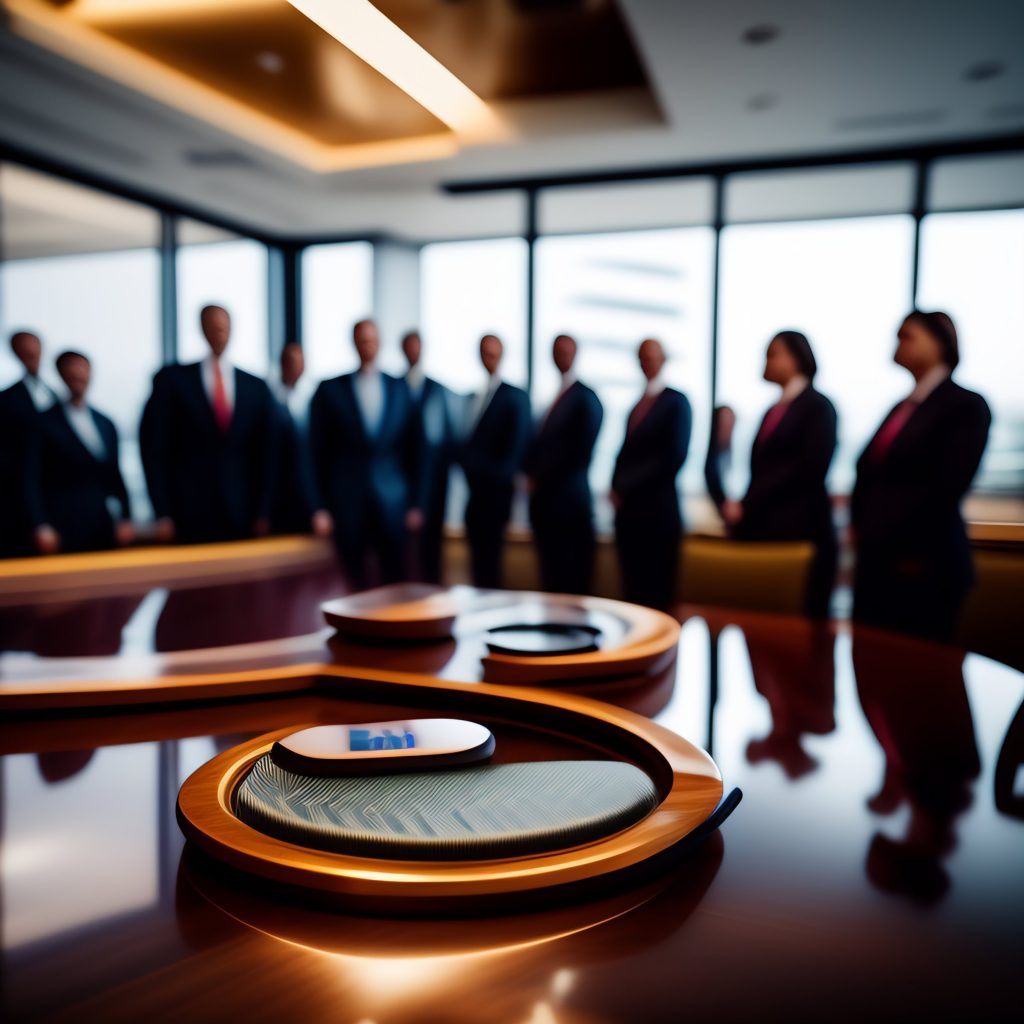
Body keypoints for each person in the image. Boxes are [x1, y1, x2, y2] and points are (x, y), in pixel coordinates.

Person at [851, 311, 991, 643]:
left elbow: (946, 486)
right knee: (873, 670)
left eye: (908, 336)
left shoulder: (965, 405)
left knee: (921, 680)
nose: (898, 344)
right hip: (877, 565)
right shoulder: (902, 406)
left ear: (940, 343)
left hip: (923, 565)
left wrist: (891, 540)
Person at [140, 304, 278, 544]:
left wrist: (264, 510)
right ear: (202, 329)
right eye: (213, 327)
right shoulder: (173, 381)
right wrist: (162, 511)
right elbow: (154, 449)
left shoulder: (255, 387)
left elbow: (267, 454)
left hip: (242, 510)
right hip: (187, 509)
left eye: (224, 328)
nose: (219, 333)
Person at [723, 331, 838, 618]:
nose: (766, 361)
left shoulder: (818, 407)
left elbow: (808, 470)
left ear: (797, 358)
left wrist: (747, 505)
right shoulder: (772, 410)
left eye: (773, 354)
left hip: (799, 532)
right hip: (766, 531)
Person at [309, 319, 421, 590]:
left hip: (393, 502)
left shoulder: (401, 388)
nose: (367, 345)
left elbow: (416, 450)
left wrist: (417, 502)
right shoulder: (329, 389)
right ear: (354, 343)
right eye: (362, 339)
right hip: (346, 502)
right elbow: (314, 454)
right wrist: (318, 507)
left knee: (396, 582)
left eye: (372, 339)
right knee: (353, 581)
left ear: (380, 343)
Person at [611, 339, 691, 610]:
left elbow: (673, 457)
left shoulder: (676, 402)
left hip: (657, 516)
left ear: (664, 359)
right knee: (633, 597)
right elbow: (623, 453)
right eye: (643, 357)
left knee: (658, 599)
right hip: (630, 519)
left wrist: (625, 486)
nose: (648, 362)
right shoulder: (637, 406)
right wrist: (614, 486)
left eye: (653, 356)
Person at [26, 350, 133, 554]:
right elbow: (31, 478)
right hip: (62, 522)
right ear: (61, 374)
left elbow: (115, 474)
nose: (77, 375)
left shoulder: (105, 422)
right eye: (71, 370)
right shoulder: (43, 422)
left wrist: (126, 517)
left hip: (101, 521)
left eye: (82, 369)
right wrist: (40, 524)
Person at [524, 334, 604, 594]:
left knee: (571, 589)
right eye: (557, 351)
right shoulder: (554, 398)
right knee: (552, 586)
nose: (562, 356)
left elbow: (578, 452)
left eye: (567, 351)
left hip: (569, 509)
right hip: (549, 511)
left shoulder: (585, 397)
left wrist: (538, 477)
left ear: (576, 353)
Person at [458, 334, 531, 589]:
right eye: (484, 353)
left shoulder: (515, 396)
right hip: (475, 497)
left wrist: (477, 468)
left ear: (502, 355)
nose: (488, 358)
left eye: (493, 353)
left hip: (496, 497)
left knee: (492, 568)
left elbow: (514, 453)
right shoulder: (473, 397)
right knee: (478, 568)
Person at [402, 330, 456, 584]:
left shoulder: (437, 390)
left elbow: (442, 444)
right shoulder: (395, 387)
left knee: (431, 556)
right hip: (401, 486)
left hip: (434, 488)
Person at [0, 331, 58, 557]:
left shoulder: (53, 395)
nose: (32, 353)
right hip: (16, 503)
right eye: (25, 348)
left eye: (35, 347)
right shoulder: (7, 400)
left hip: (55, 499)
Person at [269, 343, 323, 536]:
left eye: (299, 362)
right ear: (282, 364)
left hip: (308, 494)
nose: (295, 367)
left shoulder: (313, 398)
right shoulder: (270, 399)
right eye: (290, 362)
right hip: (279, 496)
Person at [704, 405, 735, 515]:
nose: (726, 426)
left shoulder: (733, 453)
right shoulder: (707, 454)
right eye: (721, 423)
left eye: (729, 422)